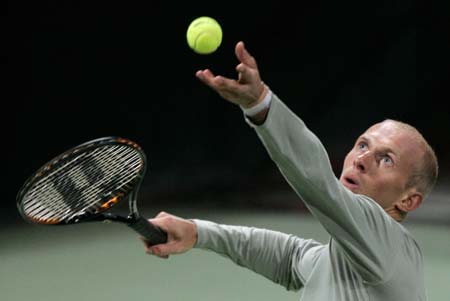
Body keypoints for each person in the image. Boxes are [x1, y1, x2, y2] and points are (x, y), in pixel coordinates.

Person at [142, 41, 438, 300]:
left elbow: (319, 183)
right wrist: (197, 232)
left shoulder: (392, 247)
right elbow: (291, 257)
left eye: (387, 160)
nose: (362, 159)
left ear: (408, 201)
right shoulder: (352, 256)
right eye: (362, 145)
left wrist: (261, 105)